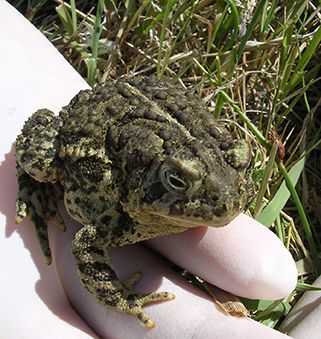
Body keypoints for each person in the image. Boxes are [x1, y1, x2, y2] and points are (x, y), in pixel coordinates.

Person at [0, 2, 296, 338]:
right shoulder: (122, 214)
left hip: (152, 112)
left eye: (240, 165)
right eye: (176, 181)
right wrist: (118, 296)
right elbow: (85, 243)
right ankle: (32, 183)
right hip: (90, 129)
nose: (230, 195)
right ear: (148, 182)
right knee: (38, 157)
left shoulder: (216, 162)